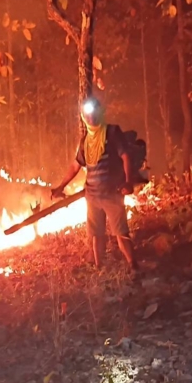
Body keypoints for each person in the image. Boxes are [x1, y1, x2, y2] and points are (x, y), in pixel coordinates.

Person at [51, 97, 138, 271]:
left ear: (100, 113)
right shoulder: (85, 141)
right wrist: (61, 187)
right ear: (84, 117)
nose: (91, 117)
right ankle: (99, 269)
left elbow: (125, 156)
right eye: (87, 115)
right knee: (96, 235)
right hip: (92, 196)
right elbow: (76, 166)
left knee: (121, 233)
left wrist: (128, 182)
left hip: (112, 194)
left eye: (94, 113)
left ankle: (133, 267)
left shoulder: (112, 132)